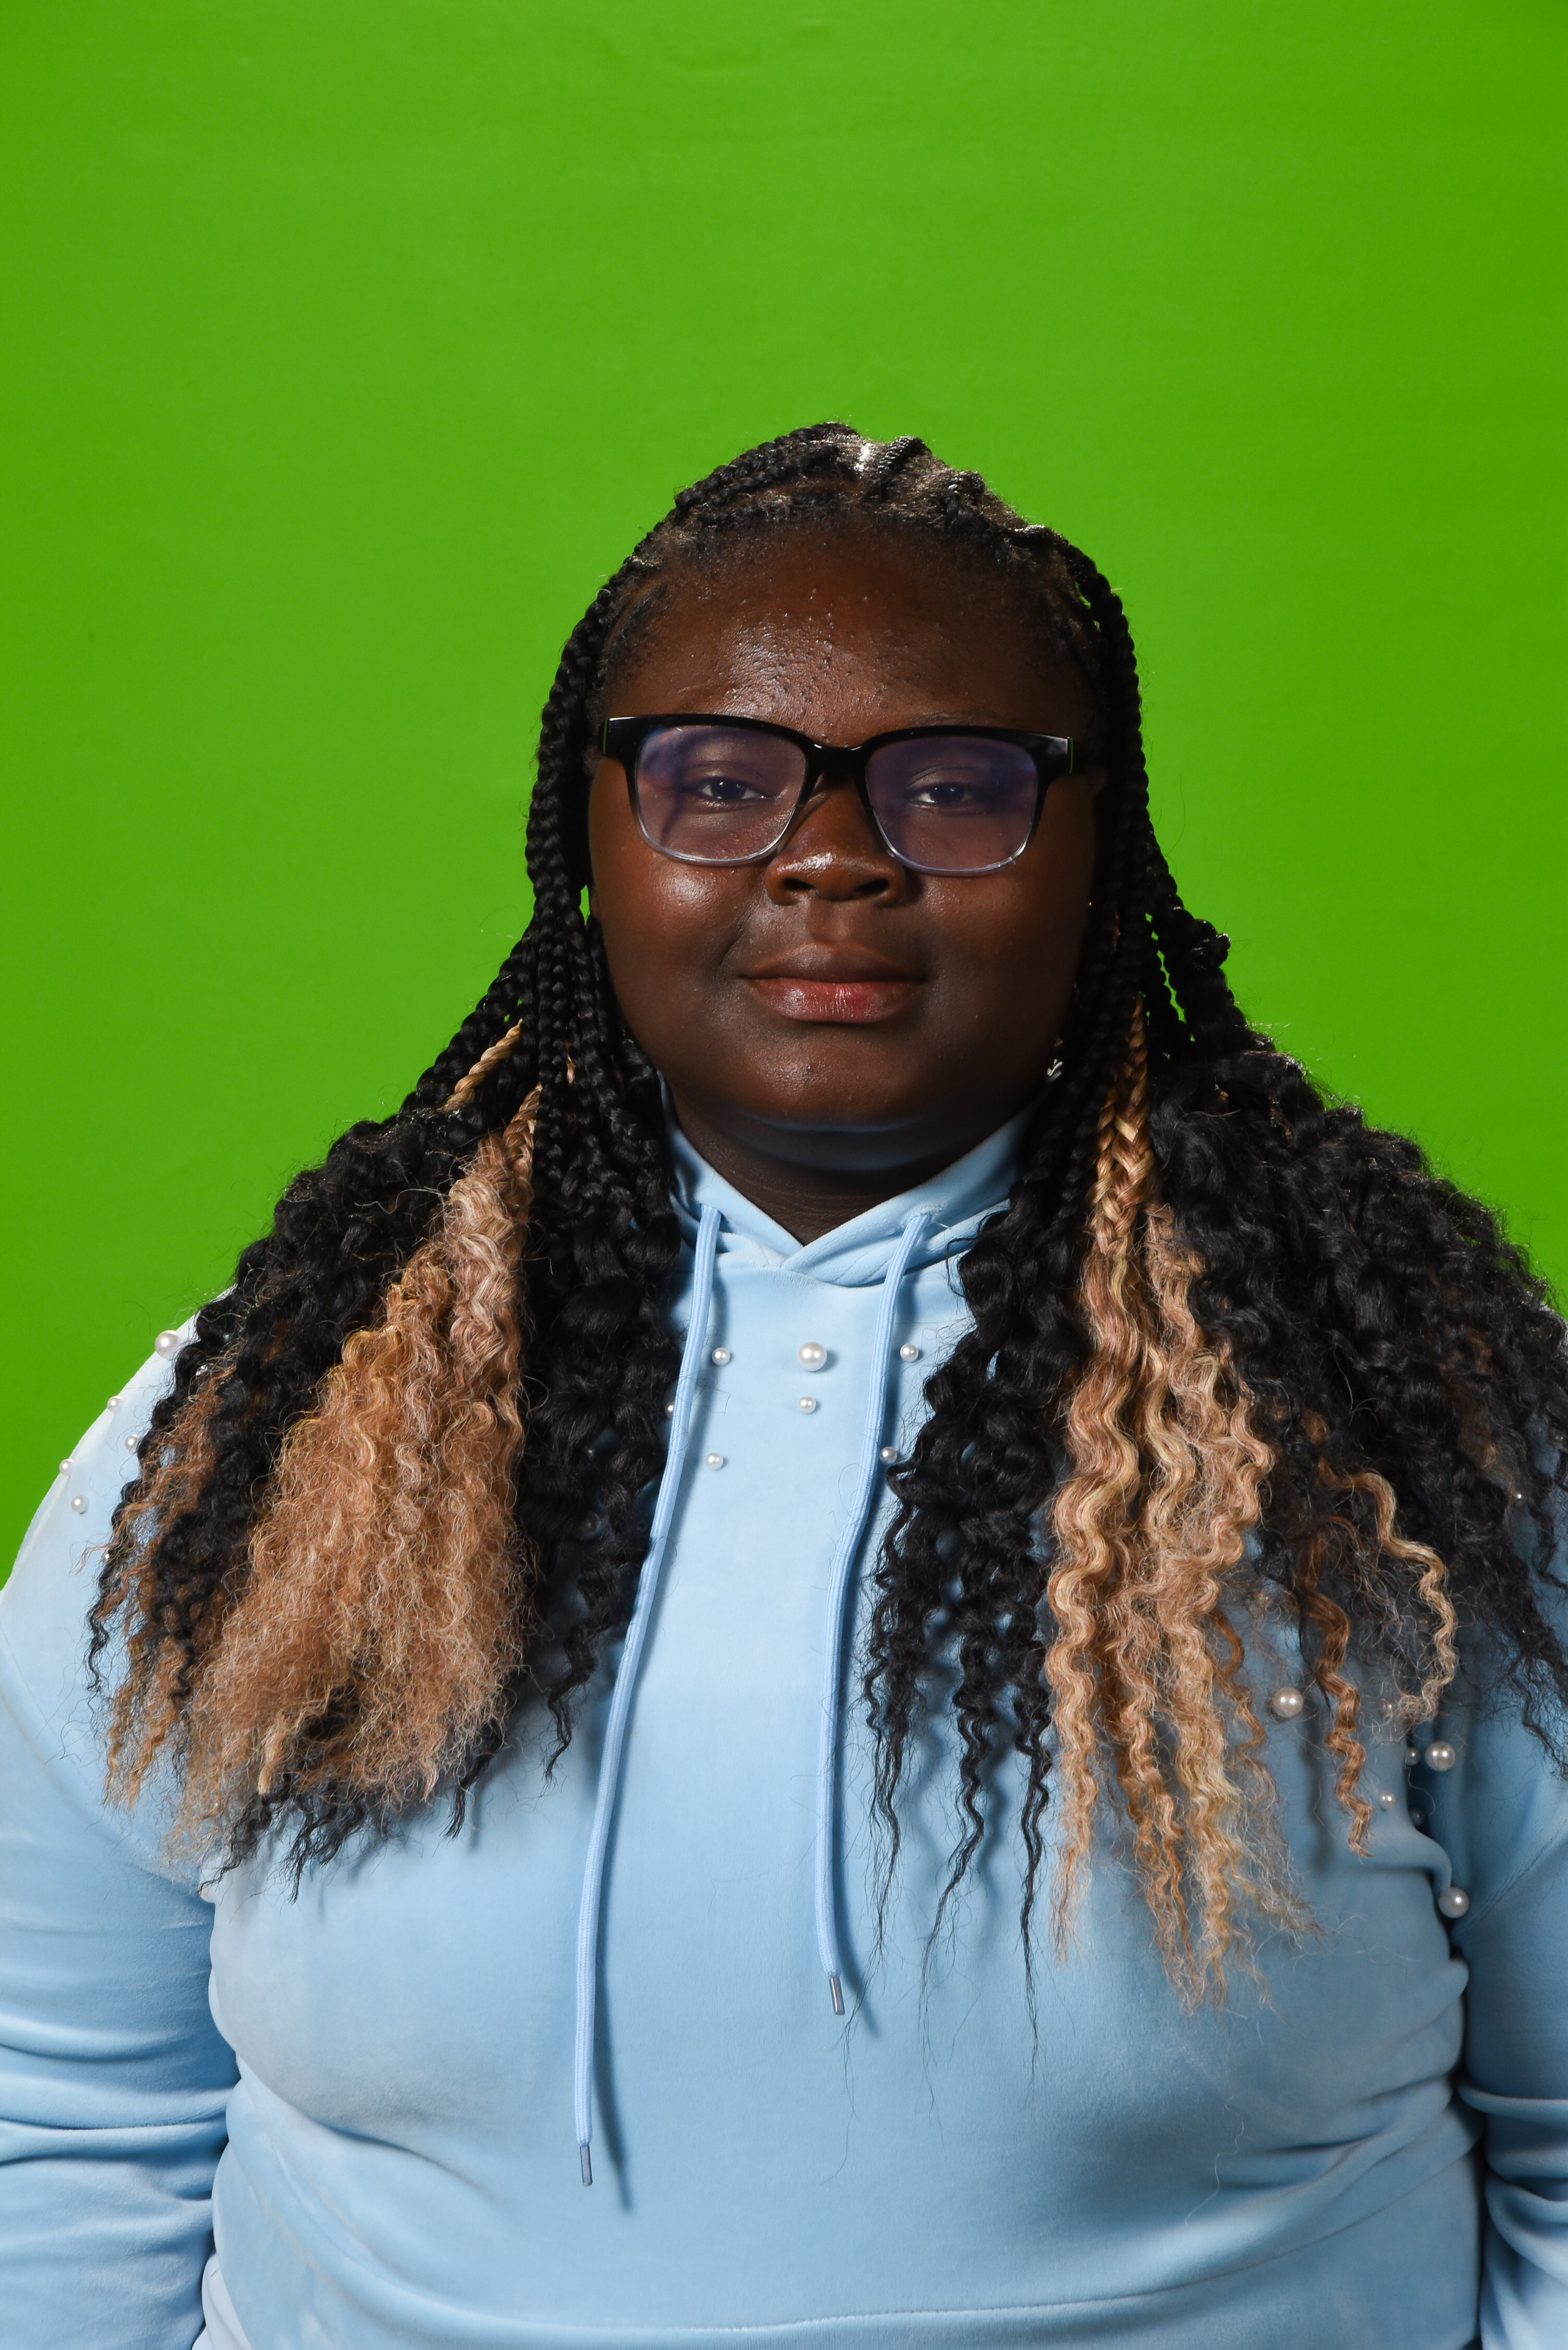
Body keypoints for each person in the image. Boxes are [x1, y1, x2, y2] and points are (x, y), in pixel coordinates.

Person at [2, 423, 1564, 2350]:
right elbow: (55, 2115)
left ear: (1099, 857)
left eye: (958, 787)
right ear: (593, 838)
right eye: (720, 782)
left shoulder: (1414, 1446)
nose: (834, 855)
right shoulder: (269, 1429)